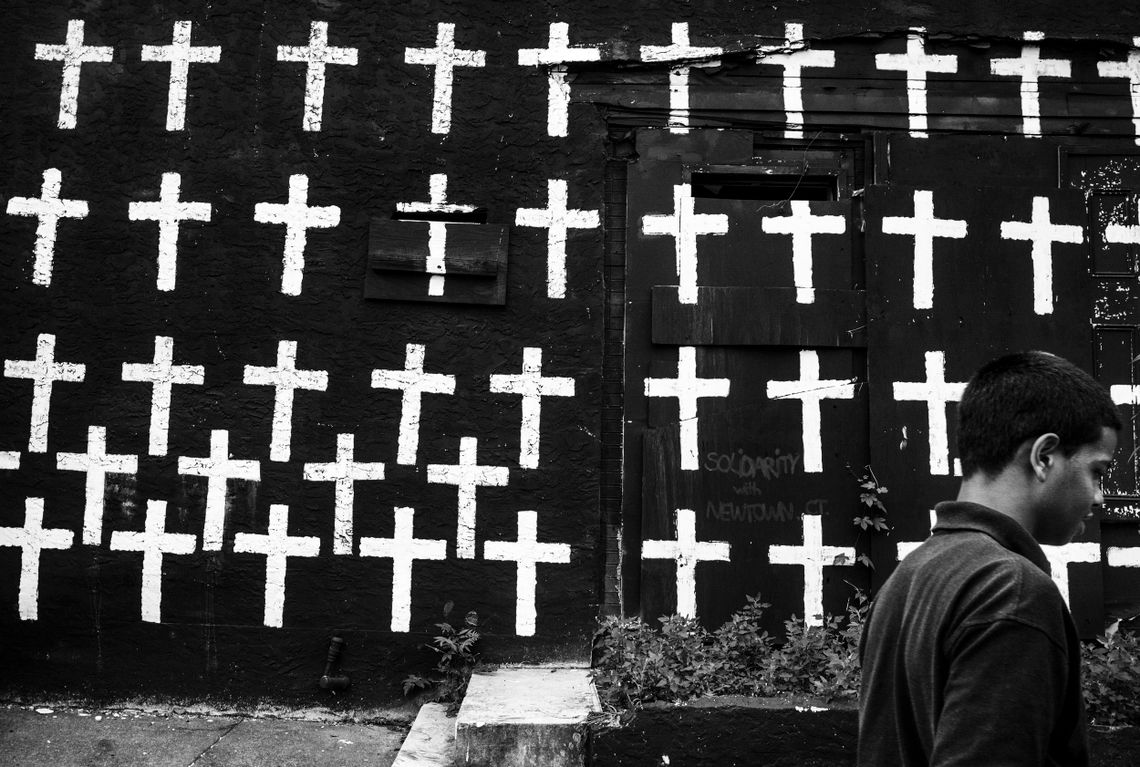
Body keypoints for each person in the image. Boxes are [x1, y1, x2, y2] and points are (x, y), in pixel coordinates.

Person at [857, 351, 1122, 766]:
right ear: (1044, 456)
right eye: (1098, 472)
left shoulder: (906, 577)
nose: (1099, 497)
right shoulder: (1012, 592)